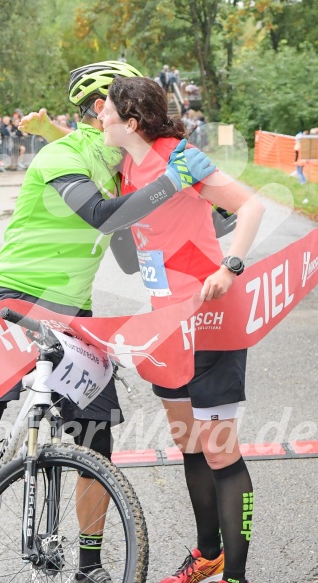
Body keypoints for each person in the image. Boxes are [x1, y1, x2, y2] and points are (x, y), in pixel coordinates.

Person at [0, 61, 215, 583]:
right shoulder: (62, 154)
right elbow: (104, 216)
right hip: (18, 293)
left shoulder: (117, 163)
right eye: (125, 106)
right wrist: (171, 182)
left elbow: (131, 247)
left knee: (95, 432)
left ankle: (89, 565)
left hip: (73, 312)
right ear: (103, 111)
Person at [94, 76, 264, 583]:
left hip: (211, 312)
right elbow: (130, 256)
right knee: (189, 441)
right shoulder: (123, 167)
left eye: (106, 109)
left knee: (219, 447)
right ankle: (207, 554)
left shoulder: (180, 157)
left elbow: (250, 206)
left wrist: (229, 265)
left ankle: (236, 575)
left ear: (131, 121)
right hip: (166, 319)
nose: (98, 114)